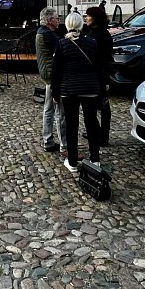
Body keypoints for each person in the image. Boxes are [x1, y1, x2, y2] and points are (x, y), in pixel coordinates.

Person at [51, 11, 103, 173]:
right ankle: (95, 159)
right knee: (92, 123)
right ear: (81, 25)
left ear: (67, 25)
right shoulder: (92, 43)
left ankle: (72, 162)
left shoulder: (61, 44)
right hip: (90, 88)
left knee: (71, 125)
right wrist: (102, 89)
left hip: (69, 89)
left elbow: (56, 71)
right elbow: (100, 68)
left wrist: (55, 92)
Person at [36, 6, 66, 156]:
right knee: (60, 111)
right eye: (56, 18)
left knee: (48, 109)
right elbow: (63, 49)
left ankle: (48, 140)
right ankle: (64, 145)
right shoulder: (48, 34)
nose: (58, 20)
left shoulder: (42, 32)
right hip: (53, 75)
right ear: (49, 20)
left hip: (47, 73)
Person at [83, 6, 113, 146]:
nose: (86, 18)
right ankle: (94, 130)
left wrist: (106, 79)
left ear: (95, 18)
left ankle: (104, 136)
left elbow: (106, 59)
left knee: (104, 106)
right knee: (92, 106)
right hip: (91, 73)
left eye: (88, 16)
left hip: (100, 74)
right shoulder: (90, 31)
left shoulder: (103, 35)